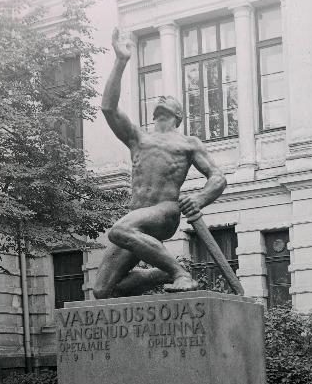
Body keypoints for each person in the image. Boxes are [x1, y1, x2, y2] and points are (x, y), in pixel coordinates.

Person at [93, 27, 227, 298]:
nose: (161, 98)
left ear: (178, 115)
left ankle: (179, 272)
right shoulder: (137, 138)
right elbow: (108, 107)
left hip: (164, 212)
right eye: (159, 98)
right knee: (102, 290)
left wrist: (200, 199)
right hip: (137, 217)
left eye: (169, 100)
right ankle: (164, 271)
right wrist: (121, 61)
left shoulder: (188, 143)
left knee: (119, 229)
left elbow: (217, 177)